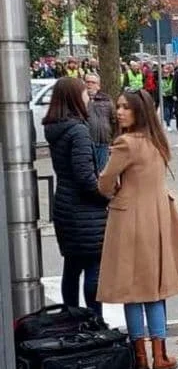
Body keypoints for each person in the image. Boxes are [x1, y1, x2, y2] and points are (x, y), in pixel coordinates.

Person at [97, 89, 178, 369]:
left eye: (125, 108)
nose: (119, 112)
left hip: (129, 219)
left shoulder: (126, 143)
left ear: (138, 112)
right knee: (154, 287)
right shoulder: (157, 140)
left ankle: (140, 354)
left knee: (133, 289)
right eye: (118, 107)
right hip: (158, 218)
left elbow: (104, 181)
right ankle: (160, 354)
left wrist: (114, 192)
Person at [44, 77, 107, 315]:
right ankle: (94, 319)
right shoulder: (78, 131)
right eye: (83, 93)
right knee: (93, 267)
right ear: (73, 97)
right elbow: (85, 177)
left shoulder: (55, 128)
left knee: (71, 268)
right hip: (85, 210)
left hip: (64, 205)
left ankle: (69, 318)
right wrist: (105, 196)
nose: (87, 97)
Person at [83, 73, 116, 173]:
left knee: (101, 172)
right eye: (87, 82)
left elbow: (114, 120)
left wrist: (113, 139)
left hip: (103, 143)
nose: (90, 85)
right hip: (87, 144)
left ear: (98, 86)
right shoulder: (80, 100)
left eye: (93, 83)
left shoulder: (106, 100)